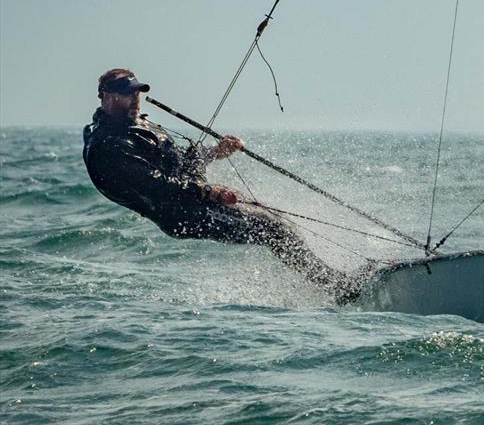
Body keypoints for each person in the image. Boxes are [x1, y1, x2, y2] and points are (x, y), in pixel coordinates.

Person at [83, 68, 360, 302]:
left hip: (193, 201)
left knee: (277, 221)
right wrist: (206, 191)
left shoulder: (137, 124)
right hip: (182, 214)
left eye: (137, 93)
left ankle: (333, 281)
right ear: (107, 97)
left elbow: (180, 164)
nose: (135, 99)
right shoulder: (109, 145)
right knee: (272, 229)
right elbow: (155, 185)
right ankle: (339, 289)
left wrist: (215, 152)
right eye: (126, 94)